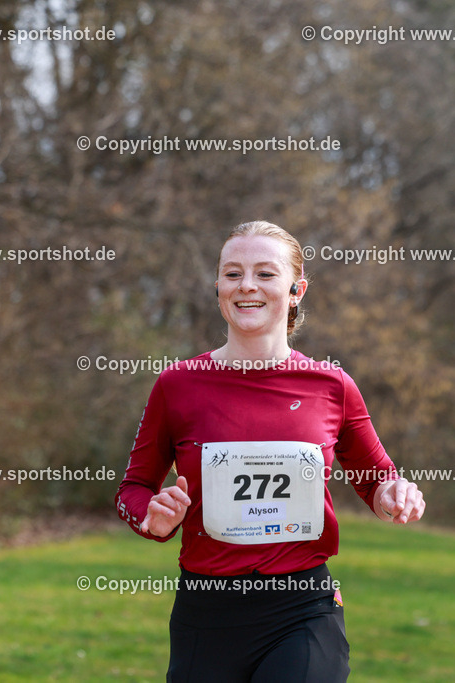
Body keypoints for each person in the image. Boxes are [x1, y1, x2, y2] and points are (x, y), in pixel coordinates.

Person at [115, 220, 426, 682]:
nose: (247, 286)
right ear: (218, 286)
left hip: (301, 609)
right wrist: (152, 519)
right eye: (233, 273)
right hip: (207, 612)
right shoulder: (176, 385)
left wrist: (394, 496)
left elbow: (377, 479)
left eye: (265, 273)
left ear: (296, 289)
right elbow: (134, 488)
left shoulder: (332, 386)